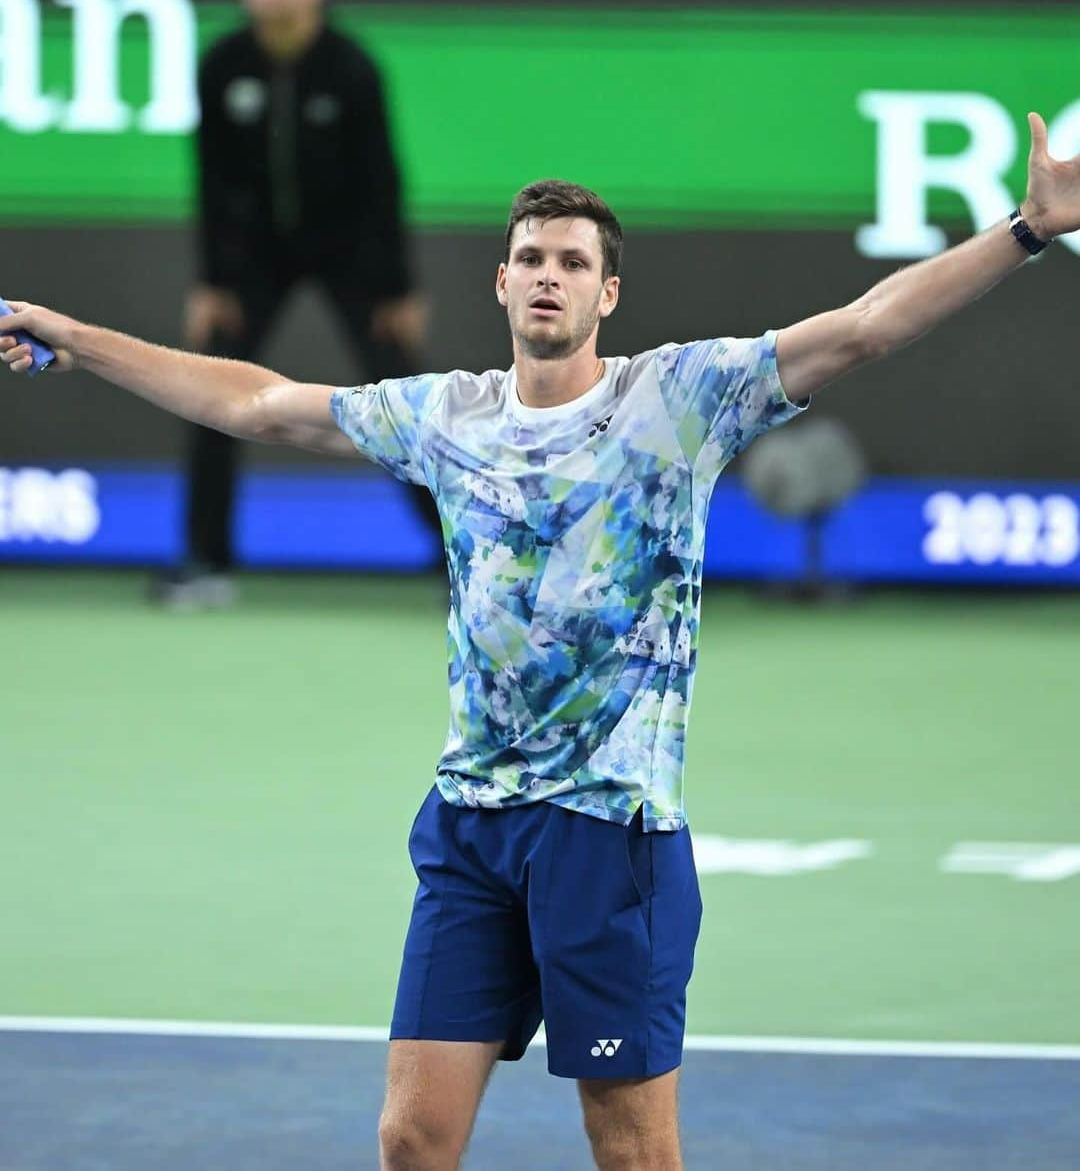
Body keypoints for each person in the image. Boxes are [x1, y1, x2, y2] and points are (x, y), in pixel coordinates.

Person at [3, 115, 1075, 1169]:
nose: (548, 274)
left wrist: (1025, 230)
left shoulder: (681, 399)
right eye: (530, 258)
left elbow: (865, 326)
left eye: (573, 261)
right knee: (413, 1139)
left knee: (631, 1143)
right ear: (503, 285)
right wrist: (82, 341)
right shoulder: (445, 416)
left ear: (607, 292)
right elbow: (260, 401)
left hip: (611, 836)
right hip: (472, 827)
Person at [160, 0, 431, 606]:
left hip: (350, 255)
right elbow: (214, 183)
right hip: (251, 257)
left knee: (401, 407)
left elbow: (382, 180)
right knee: (210, 391)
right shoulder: (223, 66)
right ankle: (206, 562)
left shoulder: (351, 68)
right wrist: (212, 280)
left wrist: (396, 286)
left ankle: (464, 563)